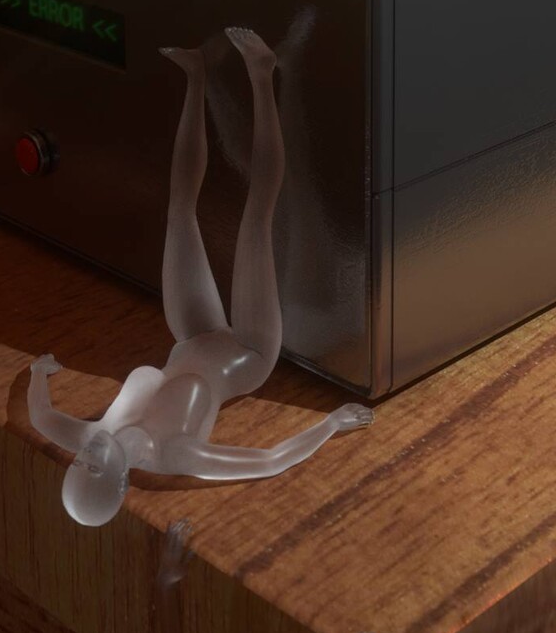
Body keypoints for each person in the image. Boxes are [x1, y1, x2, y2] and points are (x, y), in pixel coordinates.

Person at [27, 28, 373, 527]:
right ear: (120, 481)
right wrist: (331, 424)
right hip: (248, 352)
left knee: (179, 211)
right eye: (93, 468)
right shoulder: (177, 454)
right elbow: (270, 460)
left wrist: (39, 371)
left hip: (192, 336)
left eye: (78, 463)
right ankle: (262, 74)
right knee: (257, 215)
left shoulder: (91, 435)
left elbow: (41, 417)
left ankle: (196, 75)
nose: (87, 455)